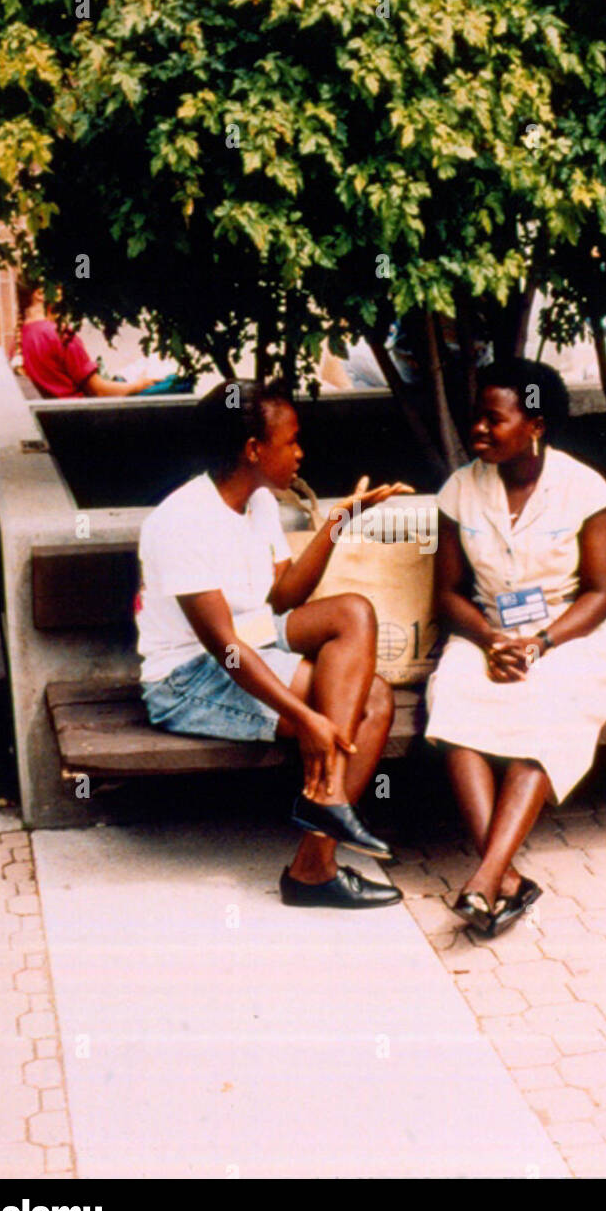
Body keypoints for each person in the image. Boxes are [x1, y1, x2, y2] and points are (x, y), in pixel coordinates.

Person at [136, 379, 415, 909]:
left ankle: (324, 812)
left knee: (353, 611)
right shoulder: (180, 522)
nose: (299, 452)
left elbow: (283, 596)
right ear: (253, 450)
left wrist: (336, 523)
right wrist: (305, 717)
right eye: (291, 442)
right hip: (188, 678)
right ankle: (314, 866)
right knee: (374, 701)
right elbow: (225, 650)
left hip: (253, 639)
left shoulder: (259, 501)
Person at [425, 358, 606, 938]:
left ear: (534, 424)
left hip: (567, 636)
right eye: (476, 418)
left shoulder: (583, 488)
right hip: (484, 632)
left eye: (493, 419)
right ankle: (503, 878)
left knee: (551, 709)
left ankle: (487, 877)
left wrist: (538, 643)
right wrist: (489, 641)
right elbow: (447, 595)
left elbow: (602, 592)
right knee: (455, 701)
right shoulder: (460, 490)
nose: (477, 430)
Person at [14, 281, 161, 397]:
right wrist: (138, 386)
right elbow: (99, 391)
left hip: (56, 419)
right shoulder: (58, 335)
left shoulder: (21, 338)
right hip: (84, 418)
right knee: (173, 384)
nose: (64, 292)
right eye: (59, 286)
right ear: (40, 293)